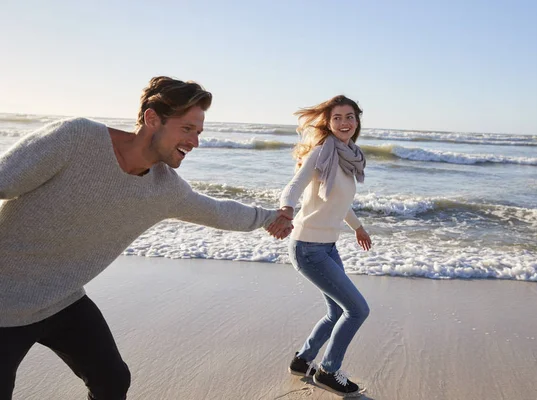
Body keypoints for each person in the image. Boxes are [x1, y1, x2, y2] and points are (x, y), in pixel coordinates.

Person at [0, 76, 292, 400]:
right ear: (153, 118)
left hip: (61, 299)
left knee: (112, 380)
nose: (195, 142)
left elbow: (219, 211)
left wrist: (270, 218)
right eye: (187, 129)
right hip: (3, 300)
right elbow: (3, 180)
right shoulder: (76, 138)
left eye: (199, 132)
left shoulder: (165, 189)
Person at [271, 95, 372, 396]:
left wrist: (358, 227)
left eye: (350, 116)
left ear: (357, 121)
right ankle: (328, 370)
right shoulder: (321, 153)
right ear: (328, 123)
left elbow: (340, 201)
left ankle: (302, 361)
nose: (344, 122)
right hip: (307, 247)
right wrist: (286, 209)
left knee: (336, 312)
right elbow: (295, 185)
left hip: (327, 247)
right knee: (357, 310)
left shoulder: (347, 156)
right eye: (338, 117)